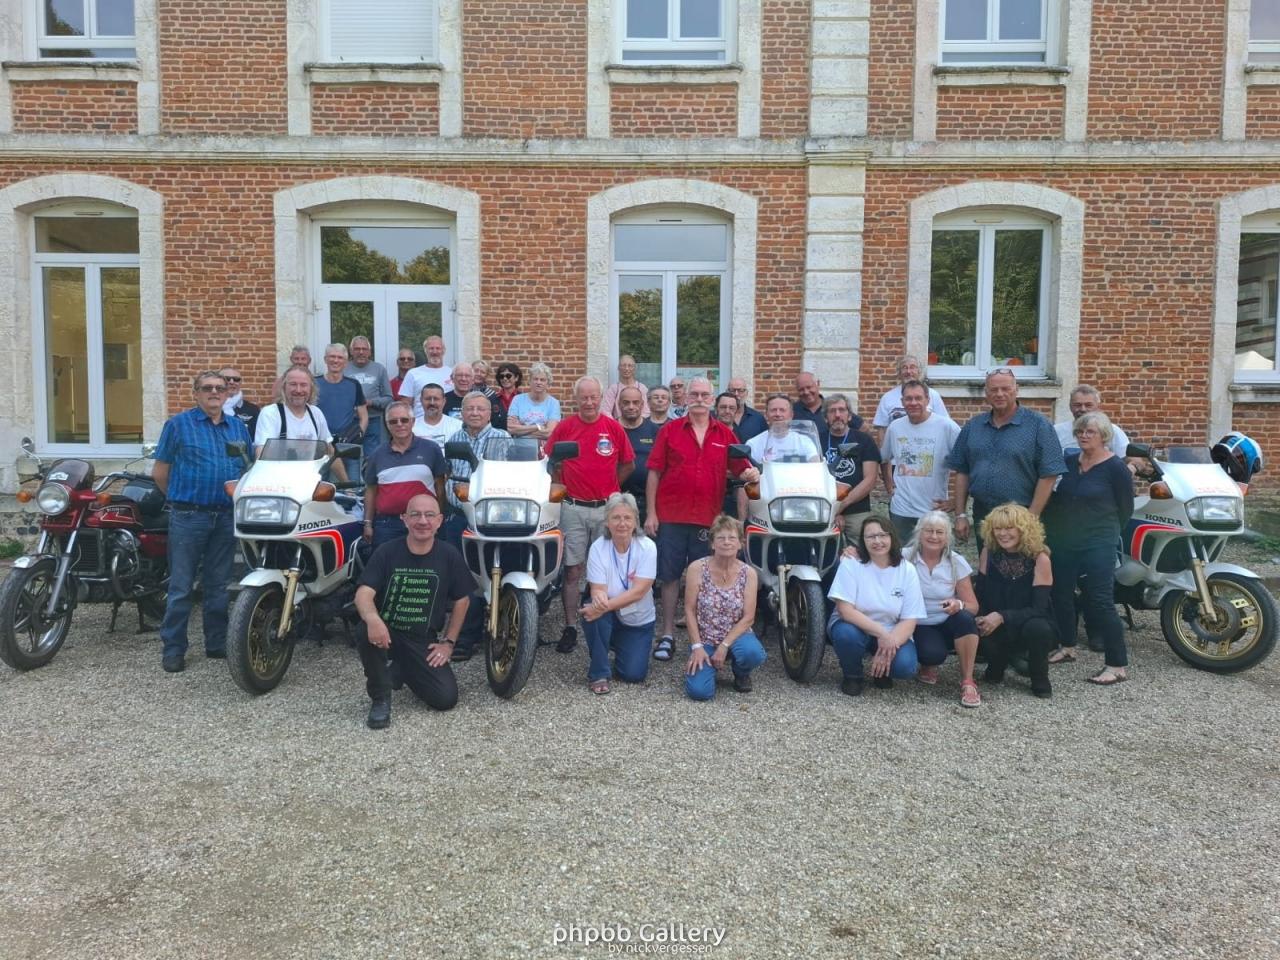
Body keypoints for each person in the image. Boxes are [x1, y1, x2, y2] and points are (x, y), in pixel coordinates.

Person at [644, 377, 758, 663]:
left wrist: (751, 473)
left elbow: (742, 467)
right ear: (685, 398)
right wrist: (651, 513)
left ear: (711, 399)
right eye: (694, 394)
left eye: (704, 394)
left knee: (703, 579)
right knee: (670, 576)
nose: (698, 398)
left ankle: (702, 640)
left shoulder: (725, 434)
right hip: (671, 514)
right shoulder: (670, 431)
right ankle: (668, 634)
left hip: (707, 519)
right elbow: (654, 472)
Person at [152, 370, 251, 673]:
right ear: (195, 393)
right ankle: (174, 649)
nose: (214, 393)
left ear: (227, 393)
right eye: (207, 388)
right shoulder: (178, 425)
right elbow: (160, 472)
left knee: (218, 585)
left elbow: (248, 469)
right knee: (181, 586)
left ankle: (216, 642)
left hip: (225, 516)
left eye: (220, 388)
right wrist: (179, 500)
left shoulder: (238, 428)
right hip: (189, 515)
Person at [354, 493, 472, 729]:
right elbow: (363, 593)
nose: (422, 521)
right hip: (386, 632)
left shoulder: (449, 555)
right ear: (404, 519)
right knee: (365, 629)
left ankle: (402, 668)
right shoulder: (387, 551)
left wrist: (448, 643)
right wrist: (373, 619)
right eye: (415, 514)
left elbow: (463, 600)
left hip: (421, 639)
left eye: (429, 515)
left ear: (439, 521)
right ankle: (380, 698)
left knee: (445, 699)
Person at [1043, 412, 1135, 685]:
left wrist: (1106, 531)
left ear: (1103, 436)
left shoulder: (1115, 468)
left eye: (1090, 432)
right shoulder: (1070, 461)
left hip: (1099, 541)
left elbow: (1125, 509)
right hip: (1066, 540)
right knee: (1060, 593)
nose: (1083, 436)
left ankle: (1117, 664)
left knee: (1100, 599)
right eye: (1080, 431)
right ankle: (1068, 646)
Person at [545, 376, 635, 654]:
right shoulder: (565, 427)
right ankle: (571, 626)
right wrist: (561, 486)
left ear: (601, 397)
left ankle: (608, 623)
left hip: (606, 509)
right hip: (573, 507)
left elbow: (628, 464)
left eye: (593, 397)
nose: (589, 402)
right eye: (583, 397)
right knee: (573, 569)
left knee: (609, 568)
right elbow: (549, 462)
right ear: (576, 399)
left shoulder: (613, 427)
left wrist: (611, 490)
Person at [948, 367, 1065, 550]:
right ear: (986, 393)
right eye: (994, 390)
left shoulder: (1038, 425)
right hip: (983, 514)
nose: (1000, 394)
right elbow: (962, 470)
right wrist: (960, 514)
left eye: (1005, 389)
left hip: (1021, 515)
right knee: (987, 563)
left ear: (1016, 390)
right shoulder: (973, 426)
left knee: (1022, 565)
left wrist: (1032, 517)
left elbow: (1049, 474)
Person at [443, 393, 511, 660]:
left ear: (489, 412)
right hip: (459, 516)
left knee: (497, 569)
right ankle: (465, 636)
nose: (474, 413)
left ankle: (507, 627)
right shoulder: (454, 440)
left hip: (493, 518)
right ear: (462, 412)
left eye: (480, 409)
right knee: (463, 576)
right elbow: (446, 476)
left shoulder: (503, 439)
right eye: (469, 408)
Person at [826, 517, 925, 696]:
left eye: (883, 535)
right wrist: (882, 634)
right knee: (846, 635)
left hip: (892, 630)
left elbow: (910, 619)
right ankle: (852, 675)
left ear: (892, 537)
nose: (877, 541)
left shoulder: (907, 569)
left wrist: (889, 642)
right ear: (862, 541)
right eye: (871, 537)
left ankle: (881, 671)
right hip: (854, 626)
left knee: (905, 667)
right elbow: (845, 611)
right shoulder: (851, 563)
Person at [975, 504, 1056, 699]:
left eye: (1009, 528)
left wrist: (1002, 616)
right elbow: (981, 593)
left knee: (1038, 628)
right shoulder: (988, 552)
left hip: (1027, 621)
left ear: (1023, 529)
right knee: (973, 625)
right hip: (994, 620)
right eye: (998, 528)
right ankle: (997, 663)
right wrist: (980, 616)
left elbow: (1039, 608)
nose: (1003, 534)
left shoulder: (1040, 558)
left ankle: (1039, 676)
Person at [580, 493, 658, 695]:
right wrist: (598, 600)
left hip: (637, 619)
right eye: (616, 518)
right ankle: (599, 672)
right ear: (607, 522)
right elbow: (598, 589)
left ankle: (616, 644)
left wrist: (602, 607)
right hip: (609, 615)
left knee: (633, 674)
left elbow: (638, 592)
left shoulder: (648, 547)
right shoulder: (598, 547)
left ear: (635, 521)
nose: (622, 523)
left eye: (627, 518)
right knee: (592, 610)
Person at [903, 512, 982, 707]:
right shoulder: (904, 556)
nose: (934, 536)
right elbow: (873, 557)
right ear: (919, 533)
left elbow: (973, 606)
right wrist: (851, 552)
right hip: (918, 622)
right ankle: (928, 664)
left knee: (965, 619)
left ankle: (968, 681)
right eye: (928, 531)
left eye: (940, 532)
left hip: (947, 619)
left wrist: (958, 604)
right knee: (933, 654)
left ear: (947, 537)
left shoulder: (956, 561)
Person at [684, 515, 767, 700]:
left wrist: (724, 646)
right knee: (699, 692)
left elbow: (749, 617)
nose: (726, 542)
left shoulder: (749, 573)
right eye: (720, 538)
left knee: (752, 653)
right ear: (712, 544)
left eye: (732, 538)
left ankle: (741, 672)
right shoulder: (697, 568)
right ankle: (707, 665)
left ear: (740, 544)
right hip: (706, 638)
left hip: (737, 635)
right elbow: (689, 610)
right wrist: (696, 646)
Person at [881, 379, 962, 544]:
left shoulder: (947, 427)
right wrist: (889, 486)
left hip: (933, 510)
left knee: (935, 555)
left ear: (928, 400)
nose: (913, 403)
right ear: (902, 401)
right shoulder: (895, 427)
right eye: (908, 398)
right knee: (902, 556)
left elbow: (967, 464)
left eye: (918, 398)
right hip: (901, 511)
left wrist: (955, 502)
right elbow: (884, 458)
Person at [362, 401, 448, 549]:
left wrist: (438, 520)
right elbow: (371, 491)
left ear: (413, 422)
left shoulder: (431, 449)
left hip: (423, 522)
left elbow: (440, 488)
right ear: (387, 425)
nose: (399, 424)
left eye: (404, 420)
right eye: (393, 421)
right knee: (387, 563)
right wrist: (368, 524)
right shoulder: (377, 455)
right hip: (387, 525)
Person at [254, 365, 348, 481]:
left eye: (303, 385)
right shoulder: (271, 413)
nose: (298, 390)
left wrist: (346, 484)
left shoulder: (316, 413)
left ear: (311, 388)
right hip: (279, 483)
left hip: (310, 484)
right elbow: (262, 453)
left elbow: (330, 452)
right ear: (284, 387)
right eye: (293, 384)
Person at [823, 392, 880, 546]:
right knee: (824, 551)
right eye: (832, 411)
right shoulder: (817, 440)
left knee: (862, 551)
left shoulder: (864, 440)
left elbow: (870, 479)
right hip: (824, 511)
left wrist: (841, 506)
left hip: (857, 511)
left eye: (842, 410)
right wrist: (832, 511)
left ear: (849, 416)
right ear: (826, 417)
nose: (837, 415)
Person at [872, 354, 951, 443]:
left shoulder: (933, 395)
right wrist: (884, 451)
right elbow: (881, 430)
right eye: (904, 368)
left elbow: (945, 424)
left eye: (913, 367)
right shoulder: (887, 398)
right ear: (899, 373)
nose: (909, 371)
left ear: (919, 371)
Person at [617, 385, 659, 525]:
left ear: (642, 404)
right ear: (619, 404)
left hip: (645, 502)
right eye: (626, 402)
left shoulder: (655, 431)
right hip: (616, 500)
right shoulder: (610, 429)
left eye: (635, 402)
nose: (631, 407)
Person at [345, 336, 392, 458]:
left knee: (373, 457)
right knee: (351, 458)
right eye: (357, 349)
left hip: (374, 420)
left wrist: (370, 402)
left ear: (370, 352)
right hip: (350, 421)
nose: (361, 352)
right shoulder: (343, 368)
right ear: (351, 351)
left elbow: (389, 398)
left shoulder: (379, 369)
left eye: (364, 349)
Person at [1054, 384, 1131, 458]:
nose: (1083, 409)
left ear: (1098, 406)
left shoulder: (1112, 431)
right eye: (1078, 405)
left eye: (1088, 405)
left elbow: (1127, 459)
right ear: (1070, 406)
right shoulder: (1057, 431)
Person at [315, 343, 368, 446]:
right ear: (325, 359)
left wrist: (357, 436)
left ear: (346, 362)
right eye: (332, 356)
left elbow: (364, 416)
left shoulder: (354, 385)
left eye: (340, 357)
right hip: (319, 441)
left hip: (346, 443)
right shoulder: (314, 384)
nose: (336, 360)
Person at [746, 395, 822, 463]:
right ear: (766, 415)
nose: (778, 414)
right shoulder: (753, 444)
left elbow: (815, 465)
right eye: (773, 410)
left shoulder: (804, 442)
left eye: (782, 410)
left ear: (791, 415)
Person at [398, 335, 452, 417]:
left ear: (443, 351)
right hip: (420, 421)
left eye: (438, 348)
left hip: (448, 421)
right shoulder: (413, 373)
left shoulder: (452, 373)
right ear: (425, 351)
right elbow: (405, 404)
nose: (434, 352)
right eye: (431, 348)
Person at [507, 361, 562, 442]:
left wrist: (521, 429)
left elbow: (549, 433)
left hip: (544, 447)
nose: (538, 382)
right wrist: (538, 427)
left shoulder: (553, 403)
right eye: (535, 379)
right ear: (530, 381)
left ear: (548, 383)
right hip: (519, 447)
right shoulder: (518, 400)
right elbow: (511, 428)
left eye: (542, 380)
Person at [714, 392, 747, 518]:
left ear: (736, 411)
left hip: (734, 489)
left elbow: (744, 470)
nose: (727, 411)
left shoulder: (742, 437)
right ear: (716, 409)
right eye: (723, 407)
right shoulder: (705, 433)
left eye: (731, 408)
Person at [412, 383, 463, 452]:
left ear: (444, 401)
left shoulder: (458, 426)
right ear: (421, 400)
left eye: (436, 399)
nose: (432, 403)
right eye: (428, 399)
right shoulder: (412, 426)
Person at [602, 354, 650, 419]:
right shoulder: (613, 389)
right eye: (623, 365)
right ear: (618, 368)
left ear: (634, 368)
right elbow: (606, 411)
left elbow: (647, 411)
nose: (626, 368)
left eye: (630, 366)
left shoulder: (642, 388)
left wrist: (637, 423)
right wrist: (615, 424)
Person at [219, 366, 259, 441]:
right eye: (227, 379)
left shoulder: (253, 410)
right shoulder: (210, 407)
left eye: (236, 379)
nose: (232, 382)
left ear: (240, 383)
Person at [792, 371, 829, 446]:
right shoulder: (791, 412)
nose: (806, 392)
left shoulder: (832, 408)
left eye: (809, 387)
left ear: (818, 384)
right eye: (801, 389)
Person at [727, 376, 767, 441]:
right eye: (732, 390)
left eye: (740, 390)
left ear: (746, 393)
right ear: (727, 392)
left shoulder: (758, 418)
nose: (736, 394)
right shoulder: (715, 417)